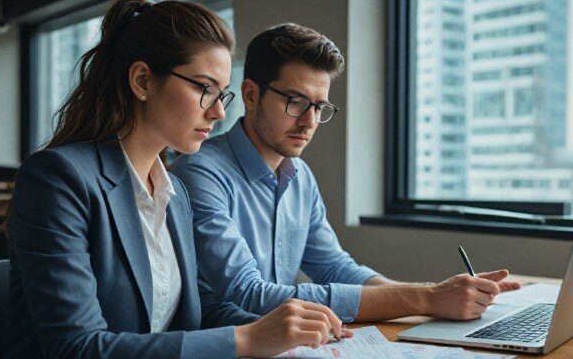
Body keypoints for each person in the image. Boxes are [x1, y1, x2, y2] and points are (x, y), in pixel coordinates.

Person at [0, 4, 347, 359]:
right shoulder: (58, 179)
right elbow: (79, 354)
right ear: (143, 81)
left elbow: (197, 312)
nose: (217, 112)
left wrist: (286, 327)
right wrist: (248, 338)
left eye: (222, 95)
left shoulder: (174, 192)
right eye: (203, 89)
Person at [171, 23, 521, 326]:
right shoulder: (200, 174)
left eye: (319, 107)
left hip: (291, 344)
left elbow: (337, 269)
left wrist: (439, 296)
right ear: (250, 94)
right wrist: (425, 299)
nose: (309, 122)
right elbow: (250, 294)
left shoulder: (300, 177)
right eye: (295, 101)